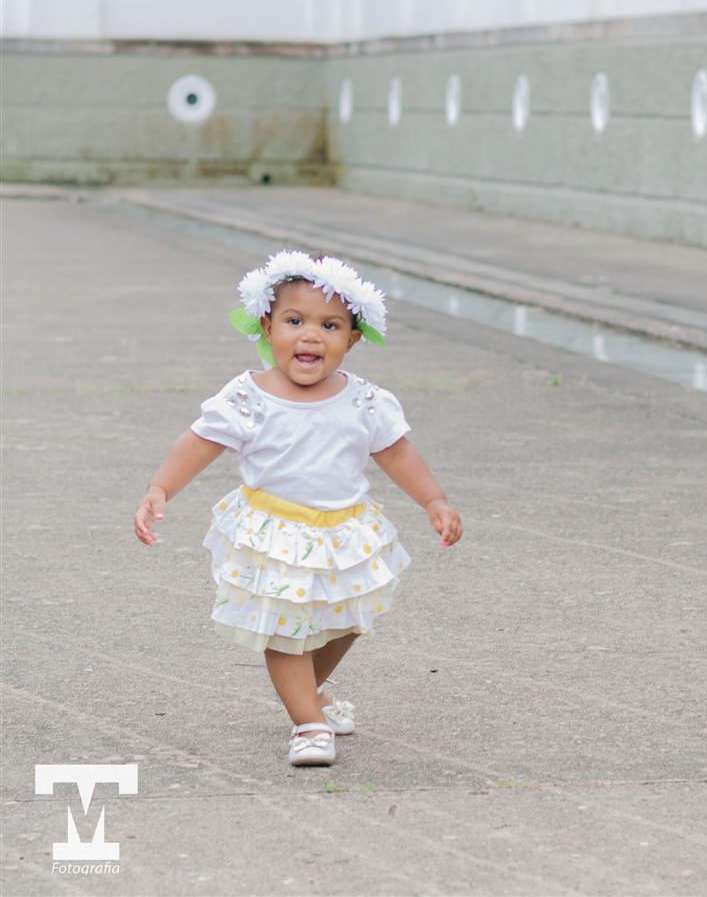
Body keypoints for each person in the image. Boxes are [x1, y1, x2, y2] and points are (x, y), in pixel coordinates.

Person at [134, 249, 462, 767]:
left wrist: (433, 500)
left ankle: (311, 693)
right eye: (294, 321)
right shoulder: (249, 397)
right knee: (286, 631)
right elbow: (199, 443)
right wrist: (160, 489)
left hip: (345, 530)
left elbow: (397, 452)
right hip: (276, 533)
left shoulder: (365, 401)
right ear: (267, 327)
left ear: (352, 340)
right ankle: (308, 723)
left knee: (347, 621)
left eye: (330, 325)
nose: (311, 335)